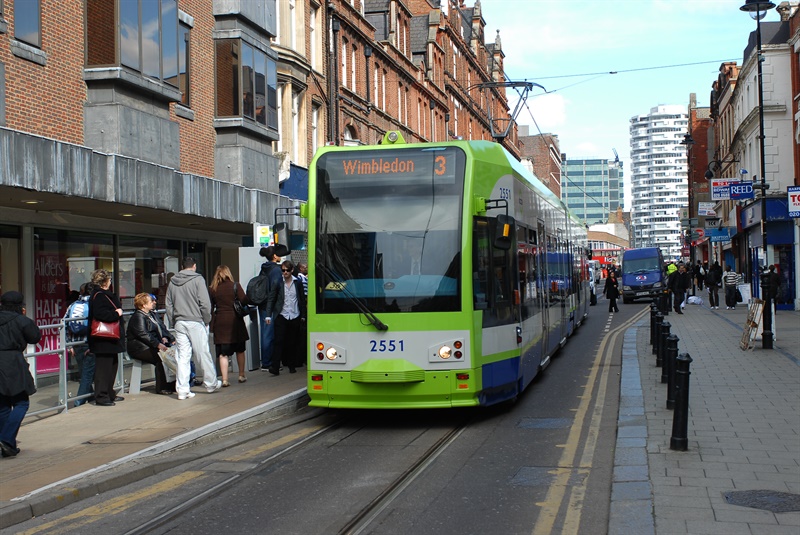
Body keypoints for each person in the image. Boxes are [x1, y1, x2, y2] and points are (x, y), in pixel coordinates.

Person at [166, 257, 222, 399]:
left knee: (182, 356)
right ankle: (211, 383)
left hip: (179, 322)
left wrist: (174, 320)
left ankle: (182, 389)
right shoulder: (198, 279)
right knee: (202, 353)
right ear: (194, 266)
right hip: (195, 321)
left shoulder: (173, 281)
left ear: (182, 266)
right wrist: (207, 319)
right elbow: (205, 303)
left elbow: (168, 304)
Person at [0, 291, 41, 457]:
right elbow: (35, 337)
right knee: (21, 402)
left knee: (2, 405)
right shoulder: (21, 320)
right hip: (13, 361)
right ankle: (6, 438)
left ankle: (8, 445)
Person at [87, 269, 125, 407]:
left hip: (109, 339)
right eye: (109, 279)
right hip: (103, 338)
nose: (110, 282)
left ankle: (109, 393)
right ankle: (102, 396)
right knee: (103, 369)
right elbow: (101, 314)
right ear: (104, 282)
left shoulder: (102, 295)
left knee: (112, 366)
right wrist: (116, 313)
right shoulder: (99, 295)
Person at [126, 293, 176, 395]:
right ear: (144, 305)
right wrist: (158, 344)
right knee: (160, 359)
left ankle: (172, 384)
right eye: (150, 302)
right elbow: (143, 334)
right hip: (139, 348)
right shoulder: (138, 316)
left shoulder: (151, 315)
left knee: (173, 356)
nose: (154, 303)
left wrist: (167, 338)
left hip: (150, 345)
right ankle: (162, 387)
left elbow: (161, 328)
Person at [209, 265, 249, 386]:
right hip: (235, 321)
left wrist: (211, 324)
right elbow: (244, 300)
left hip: (220, 322)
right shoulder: (235, 286)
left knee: (223, 353)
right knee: (240, 350)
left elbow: (210, 308)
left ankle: (225, 379)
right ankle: (241, 375)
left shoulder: (212, 289)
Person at [267, 260, 307, 375]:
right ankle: (275, 367)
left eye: (287, 270)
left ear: (292, 270)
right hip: (282, 315)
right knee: (278, 341)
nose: (285, 272)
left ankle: (291, 365)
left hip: (294, 315)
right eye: (283, 270)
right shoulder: (278, 282)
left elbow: (302, 300)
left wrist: (303, 315)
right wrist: (268, 315)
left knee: (292, 342)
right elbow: (271, 298)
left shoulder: (297, 283)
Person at [255, 246, 283, 372]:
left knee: (265, 333)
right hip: (271, 306)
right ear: (275, 256)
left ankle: (266, 361)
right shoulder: (276, 270)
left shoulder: (264, 268)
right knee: (270, 334)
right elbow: (275, 288)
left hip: (262, 304)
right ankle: (268, 362)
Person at [68, 282, 96, 406]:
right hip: (90, 343)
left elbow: (64, 324)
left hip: (77, 344)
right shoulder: (95, 304)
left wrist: (69, 345)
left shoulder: (73, 305)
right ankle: (78, 402)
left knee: (84, 372)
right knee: (87, 374)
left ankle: (91, 397)